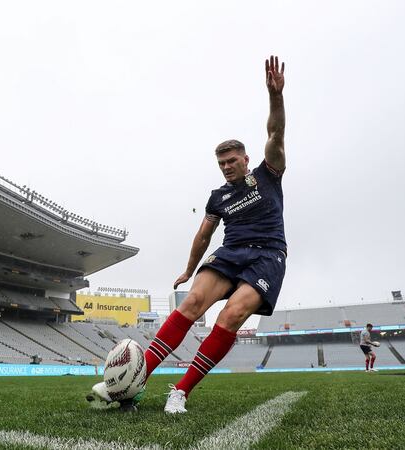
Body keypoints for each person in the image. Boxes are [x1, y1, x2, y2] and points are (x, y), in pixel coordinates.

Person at [88, 55, 288, 414]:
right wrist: (188, 267)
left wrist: (276, 96)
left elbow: (276, 133)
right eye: (222, 163)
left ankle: (179, 391)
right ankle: (134, 381)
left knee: (232, 315)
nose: (227, 167)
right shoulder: (218, 196)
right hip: (231, 252)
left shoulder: (268, 173)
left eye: (232, 160)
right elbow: (203, 235)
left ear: (245, 158)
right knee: (193, 304)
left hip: (267, 254)